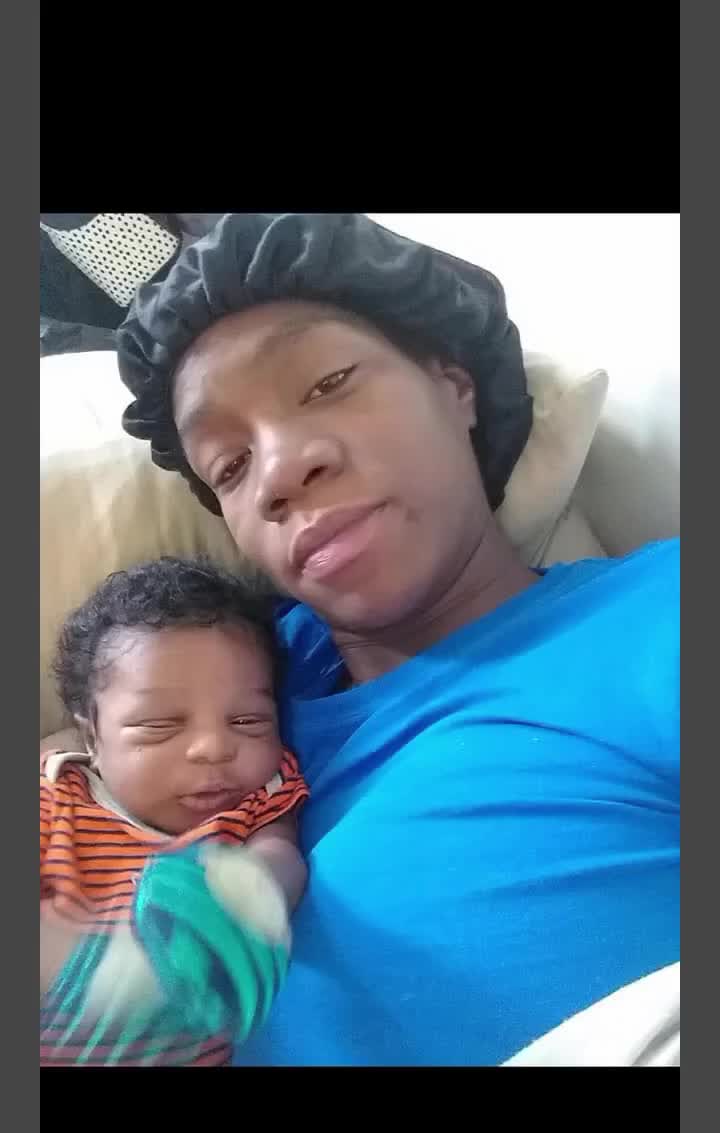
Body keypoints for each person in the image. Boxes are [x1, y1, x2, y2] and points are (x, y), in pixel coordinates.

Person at [62, 212, 677, 1066]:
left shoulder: (657, 618)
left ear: (454, 384)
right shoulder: (220, 665)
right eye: (230, 467)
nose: (278, 472)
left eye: (328, 383)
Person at [40, 557, 309, 1066]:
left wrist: (249, 892)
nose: (213, 748)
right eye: (160, 725)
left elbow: (283, 854)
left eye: (248, 720)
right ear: (92, 739)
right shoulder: (55, 800)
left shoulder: (259, 795)